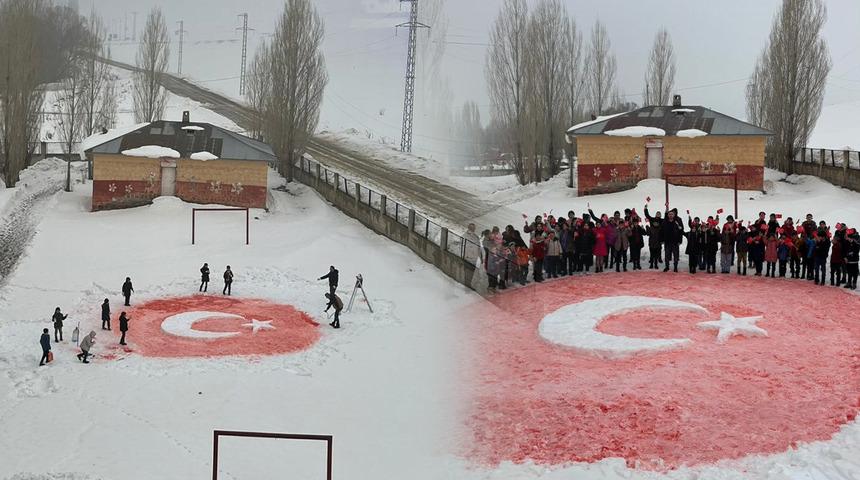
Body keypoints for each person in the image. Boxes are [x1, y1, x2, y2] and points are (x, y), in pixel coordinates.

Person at [660, 208, 684, 272]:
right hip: (667, 242)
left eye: (672, 214)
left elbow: (680, 232)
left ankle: (675, 267)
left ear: (674, 215)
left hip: (675, 242)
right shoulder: (665, 222)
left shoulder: (677, 222)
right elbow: (661, 231)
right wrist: (662, 240)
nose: (670, 215)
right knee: (667, 255)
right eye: (669, 214)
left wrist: (680, 241)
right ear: (668, 215)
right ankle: (667, 267)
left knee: (676, 255)